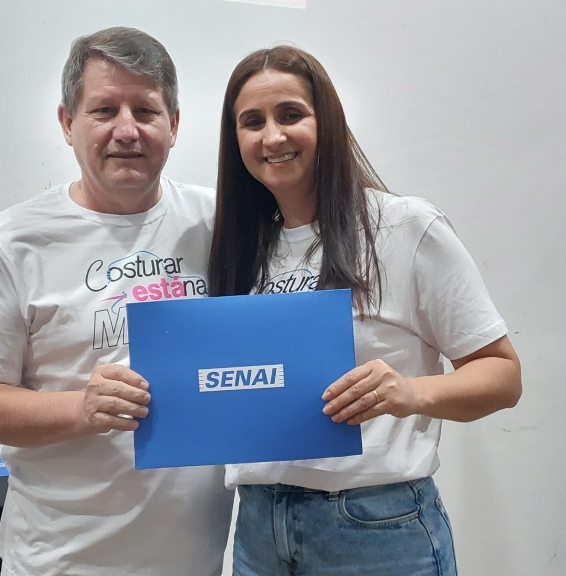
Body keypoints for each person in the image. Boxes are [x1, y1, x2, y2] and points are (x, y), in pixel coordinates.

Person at [208, 45, 522, 576]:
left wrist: (410, 392)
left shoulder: (404, 228)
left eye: (291, 114)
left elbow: (503, 375)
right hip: (259, 529)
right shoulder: (240, 248)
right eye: (252, 121)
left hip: (374, 528)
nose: (272, 137)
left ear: (326, 121)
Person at [0, 27, 233, 576]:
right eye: (104, 110)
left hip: (199, 560)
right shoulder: (15, 241)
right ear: (67, 123)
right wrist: (81, 409)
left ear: (173, 125)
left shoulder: (218, 223)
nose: (126, 130)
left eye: (145, 111)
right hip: (60, 562)